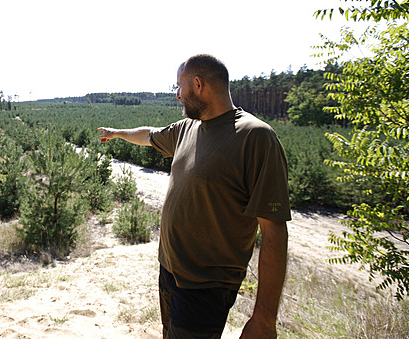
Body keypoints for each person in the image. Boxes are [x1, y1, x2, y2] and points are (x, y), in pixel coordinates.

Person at [98, 54, 291, 339]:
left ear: (198, 84)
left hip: (206, 287)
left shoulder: (255, 137)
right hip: (170, 272)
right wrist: (117, 134)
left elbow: (274, 233)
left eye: (179, 86)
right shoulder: (188, 128)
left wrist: (264, 319)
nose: (177, 95)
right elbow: (149, 135)